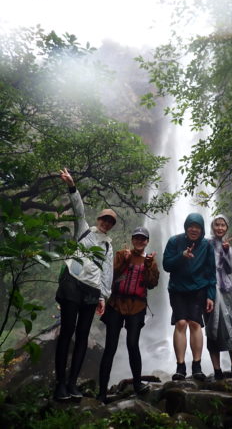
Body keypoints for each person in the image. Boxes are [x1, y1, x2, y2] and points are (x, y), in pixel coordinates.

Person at [54, 168, 116, 401]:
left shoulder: (108, 246)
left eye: (110, 222)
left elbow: (107, 273)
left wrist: (103, 297)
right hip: (72, 283)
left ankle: (72, 384)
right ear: (98, 219)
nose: (106, 224)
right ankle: (60, 384)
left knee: (82, 336)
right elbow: (78, 210)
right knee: (67, 331)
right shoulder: (85, 230)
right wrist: (72, 186)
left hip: (91, 292)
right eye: (104, 219)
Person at [97, 226, 159, 402]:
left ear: (147, 242)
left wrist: (148, 265)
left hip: (137, 306)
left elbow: (152, 283)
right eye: (137, 238)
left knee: (133, 344)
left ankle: (138, 384)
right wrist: (123, 261)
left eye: (143, 239)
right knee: (110, 346)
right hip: (116, 304)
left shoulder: (150, 261)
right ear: (132, 240)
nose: (139, 241)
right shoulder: (120, 254)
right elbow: (110, 274)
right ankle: (102, 392)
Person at [163, 213, 216, 380]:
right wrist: (181, 256)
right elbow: (166, 265)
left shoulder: (207, 246)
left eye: (198, 227)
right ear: (186, 227)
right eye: (191, 226)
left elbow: (211, 272)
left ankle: (197, 365)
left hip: (198, 289)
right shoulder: (174, 241)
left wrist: (211, 295)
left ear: (202, 229)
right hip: (178, 289)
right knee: (180, 323)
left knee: (195, 323)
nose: (194, 229)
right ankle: (180, 367)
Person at [205, 214, 232, 379]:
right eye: (217, 225)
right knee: (213, 328)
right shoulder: (206, 245)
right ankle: (217, 370)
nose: (220, 228)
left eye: (223, 225)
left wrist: (227, 251)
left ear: (226, 228)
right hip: (211, 291)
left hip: (229, 292)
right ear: (213, 227)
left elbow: (231, 270)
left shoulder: (230, 248)